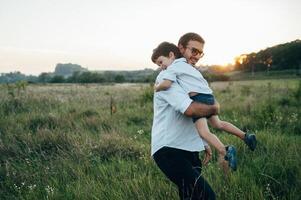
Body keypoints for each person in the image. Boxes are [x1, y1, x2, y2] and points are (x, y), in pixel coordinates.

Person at [152, 34, 257, 168]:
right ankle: (245, 136)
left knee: (204, 132)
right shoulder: (190, 67)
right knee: (218, 124)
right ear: (181, 49)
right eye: (194, 51)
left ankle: (225, 150)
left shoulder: (173, 67)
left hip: (198, 99)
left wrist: (157, 87)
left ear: (172, 55)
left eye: (161, 62)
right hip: (209, 97)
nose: (162, 67)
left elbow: (166, 85)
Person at [151, 36, 221, 200]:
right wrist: (215, 108)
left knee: (191, 197)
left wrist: (203, 142)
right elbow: (191, 110)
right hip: (169, 149)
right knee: (207, 197)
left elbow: (196, 115)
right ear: (180, 50)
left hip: (189, 149)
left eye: (199, 53)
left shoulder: (187, 76)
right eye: (193, 51)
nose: (196, 56)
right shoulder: (166, 77)